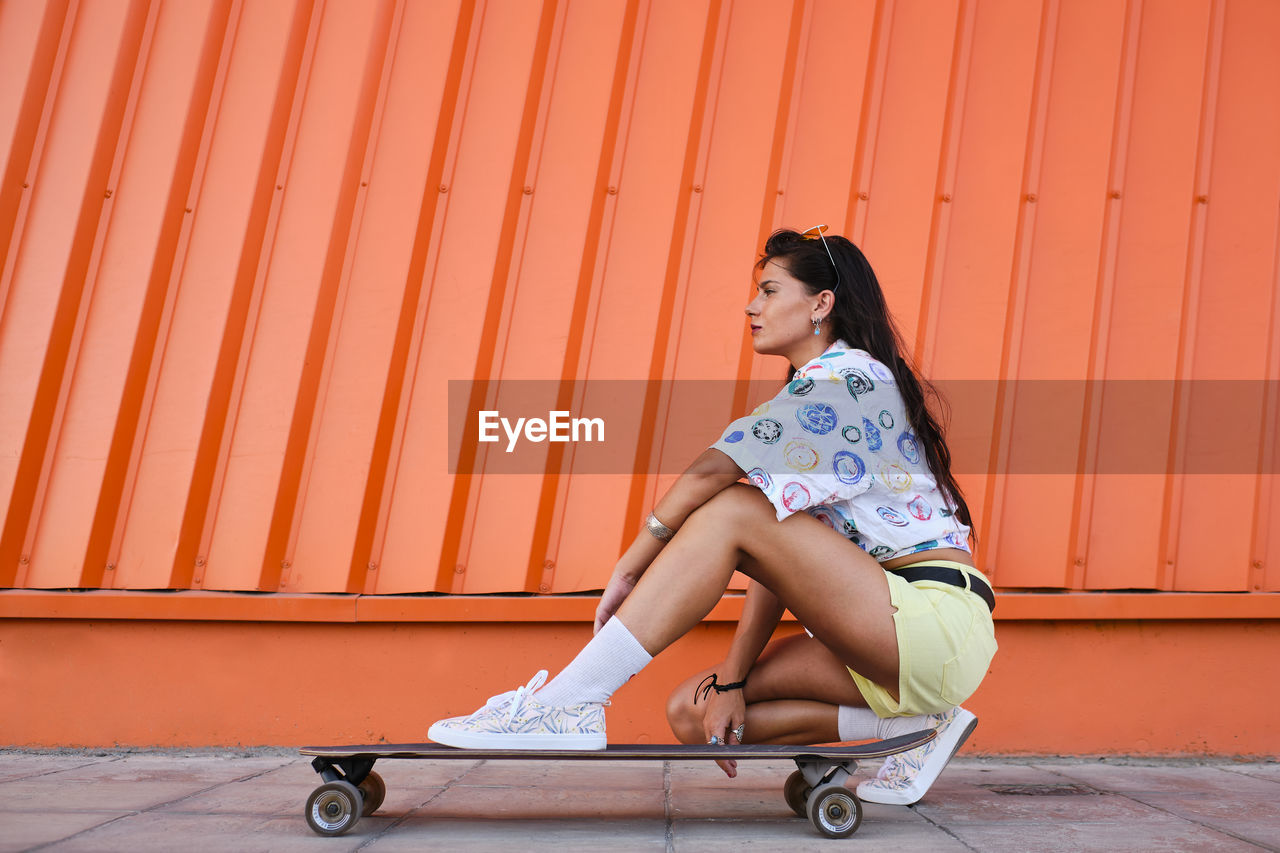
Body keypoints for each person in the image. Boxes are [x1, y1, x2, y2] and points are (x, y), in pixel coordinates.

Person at [428, 226, 997, 806]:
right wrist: (730, 678)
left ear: (821, 304)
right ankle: (910, 733)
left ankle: (569, 703)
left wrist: (631, 566)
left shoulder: (851, 381)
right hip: (880, 623)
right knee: (693, 710)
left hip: (931, 620)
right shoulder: (821, 395)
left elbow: (721, 468)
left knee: (732, 507)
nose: (752, 306)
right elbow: (779, 564)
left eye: (771, 291)